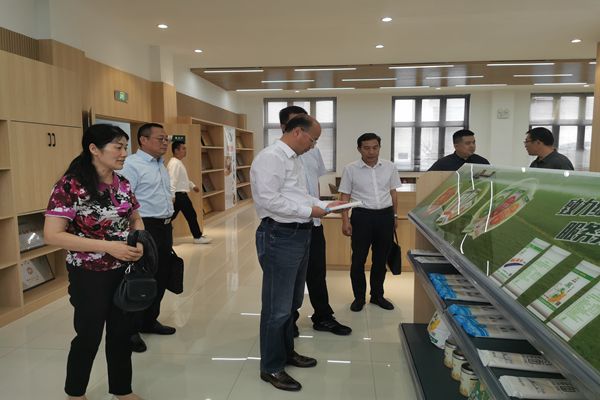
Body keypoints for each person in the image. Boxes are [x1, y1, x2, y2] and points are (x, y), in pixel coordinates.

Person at [43, 124, 144, 400]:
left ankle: (122, 390)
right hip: (88, 273)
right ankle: (75, 393)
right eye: (118, 147)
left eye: (125, 147)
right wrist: (109, 247)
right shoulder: (70, 185)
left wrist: (138, 241)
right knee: (89, 335)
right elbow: (52, 234)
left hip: (124, 270)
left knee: (121, 333)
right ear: (94, 149)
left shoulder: (122, 183)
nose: (124, 153)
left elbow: (135, 217)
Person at [251, 114, 344, 391]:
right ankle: (271, 367)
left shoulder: (293, 159)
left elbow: (298, 195)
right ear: (297, 132)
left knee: (291, 303)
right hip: (280, 235)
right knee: (277, 307)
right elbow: (269, 200)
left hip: (300, 234)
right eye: (313, 139)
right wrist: (308, 211)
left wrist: (325, 205)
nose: (313, 146)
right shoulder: (271, 158)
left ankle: (286, 353)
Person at [279, 106, 352, 337]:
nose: (309, 138)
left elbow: (314, 185)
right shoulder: (276, 156)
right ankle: (288, 320)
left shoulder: (312, 151)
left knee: (317, 273)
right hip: (290, 225)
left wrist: (321, 208)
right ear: (287, 128)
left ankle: (323, 316)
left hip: (314, 222)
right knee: (290, 278)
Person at [121, 123, 177, 353]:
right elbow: (125, 201)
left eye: (166, 139)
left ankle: (149, 321)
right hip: (145, 226)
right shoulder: (131, 165)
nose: (165, 143)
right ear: (143, 140)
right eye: (160, 139)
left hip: (164, 226)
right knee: (141, 277)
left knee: (161, 275)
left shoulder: (160, 164)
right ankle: (130, 330)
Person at [339, 133, 401, 312]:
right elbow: (345, 196)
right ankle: (359, 298)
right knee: (358, 260)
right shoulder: (350, 169)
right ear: (359, 149)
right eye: (366, 148)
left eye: (375, 147)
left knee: (380, 260)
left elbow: (393, 193)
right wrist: (345, 220)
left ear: (379, 147)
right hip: (362, 217)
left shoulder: (390, 167)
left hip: (385, 216)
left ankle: (377, 296)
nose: (371, 152)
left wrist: (395, 216)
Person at [167, 141, 212, 244]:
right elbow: (172, 180)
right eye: (183, 148)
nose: (185, 151)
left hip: (180, 195)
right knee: (190, 215)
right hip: (178, 195)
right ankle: (197, 237)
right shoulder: (174, 163)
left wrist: (192, 186)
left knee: (178, 216)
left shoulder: (177, 162)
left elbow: (183, 179)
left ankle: (197, 236)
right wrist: (172, 196)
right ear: (176, 150)